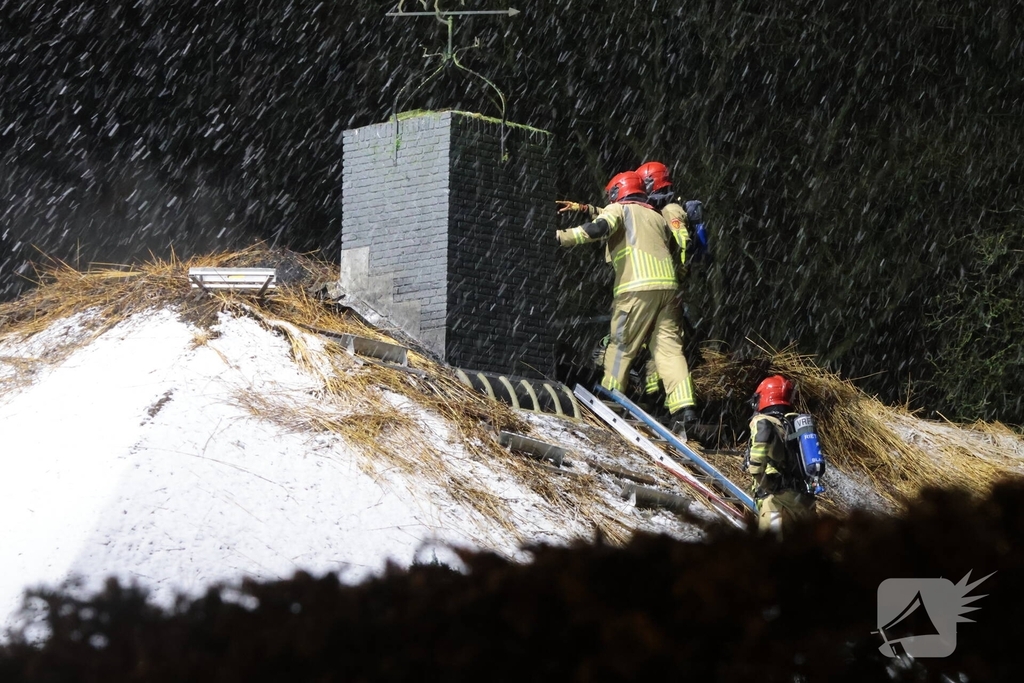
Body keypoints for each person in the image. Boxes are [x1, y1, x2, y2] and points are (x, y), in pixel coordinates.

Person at [555, 170, 699, 437]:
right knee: (669, 351)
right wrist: (586, 208)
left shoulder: (618, 209)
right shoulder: (657, 216)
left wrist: (560, 237)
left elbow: (600, 228)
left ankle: (610, 402)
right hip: (668, 290)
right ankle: (685, 409)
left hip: (636, 289)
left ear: (616, 192)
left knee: (620, 346)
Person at [745, 375, 819, 537]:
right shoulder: (795, 425)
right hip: (804, 503)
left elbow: (756, 465)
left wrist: (768, 485)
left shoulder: (763, 421)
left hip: (777, 504)